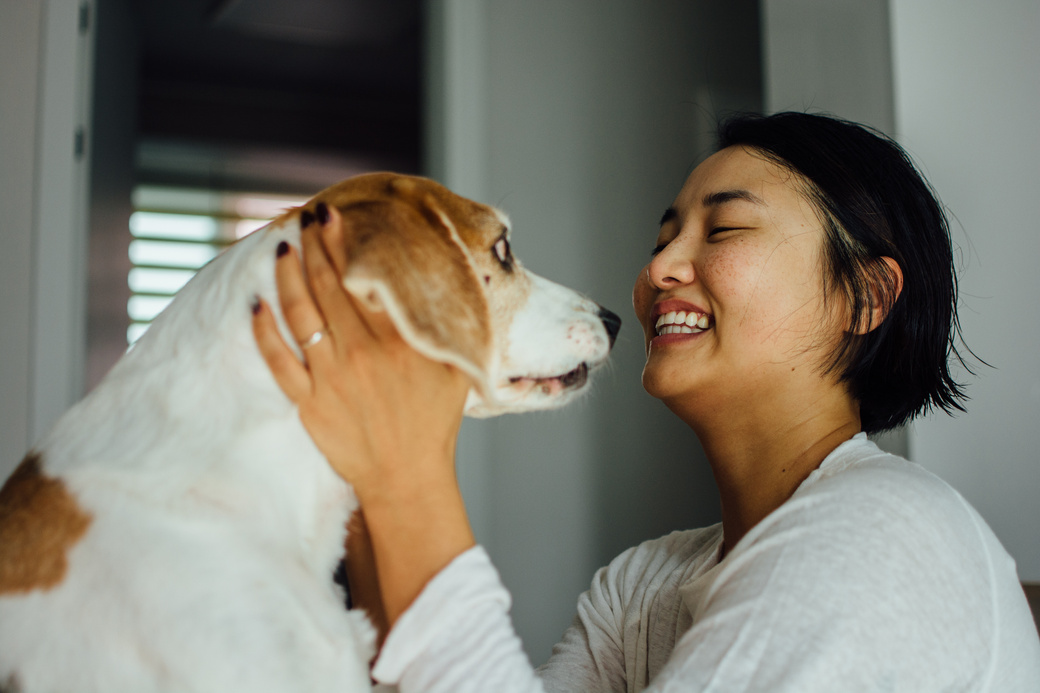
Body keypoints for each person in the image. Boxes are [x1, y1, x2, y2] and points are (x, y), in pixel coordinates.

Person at [251, 112, 1040, 691]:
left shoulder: (882, 532)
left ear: (865, 296)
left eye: (723, 230)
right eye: (665, 235)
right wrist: (357, 466)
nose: (662, 265)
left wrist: (408, 472)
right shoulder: (645, 584)